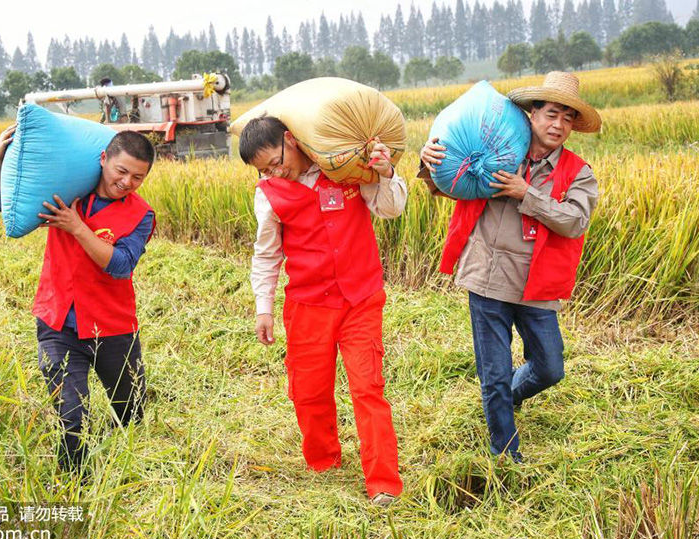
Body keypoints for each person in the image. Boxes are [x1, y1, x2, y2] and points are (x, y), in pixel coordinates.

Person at [420, 72, 602, 462]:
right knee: (495, 373)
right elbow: (446, 184)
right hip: (487, 276)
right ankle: (505, 455)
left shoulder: (577, 172)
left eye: (568, 119)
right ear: (532, 114)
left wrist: (527, 194)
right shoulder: (496, 147)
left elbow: (575, 221)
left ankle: (506, 399)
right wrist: (429, 162)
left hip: (538, 283)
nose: (558, 125)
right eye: (552, 114)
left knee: (550, 368)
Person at [240, 116, 407, 506]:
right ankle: (323, 462)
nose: (274, 172)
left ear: (290, 140)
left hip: (360, 300)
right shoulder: (269, 194)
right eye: (264, 170)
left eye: (275, 162)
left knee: (368, 388)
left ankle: (383, 483)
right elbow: (266, 254)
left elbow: (390, 208)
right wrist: (263, 307)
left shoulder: (346, 168)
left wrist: (386, 173)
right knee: (309, 392)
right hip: (307, 305)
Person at [0, 126, 157, 472]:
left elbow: (121, 265)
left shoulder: (142, 215)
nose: (126, 182)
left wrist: (77, 227)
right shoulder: (69, 195)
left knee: (131, 412)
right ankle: (76, 487)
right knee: (72, 416)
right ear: (103, 160)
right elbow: (5, 206)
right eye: (120, 171)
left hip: (113, 327)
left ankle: (118, 467)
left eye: (137, 177)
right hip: (58, 322)